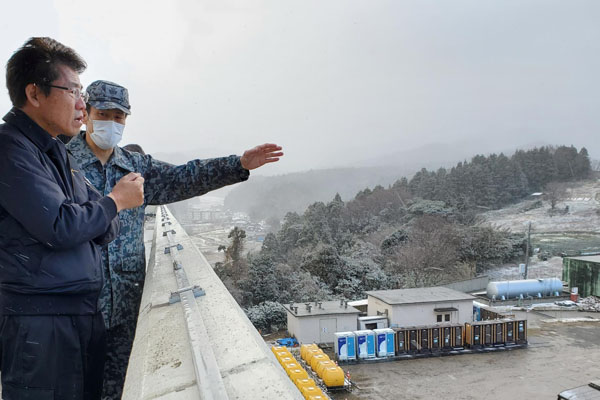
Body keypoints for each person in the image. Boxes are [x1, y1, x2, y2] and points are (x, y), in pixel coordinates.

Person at [66, 79, 283, 399]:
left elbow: (185, 177)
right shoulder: (61, 162)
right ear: (86, 114)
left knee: (117, 391)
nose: (111, 123)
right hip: (74, 312)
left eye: (119, 116)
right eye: (104, 114)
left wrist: (237, 165)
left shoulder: (134, 167)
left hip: (125, 309)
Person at [0, 38, 145, 400]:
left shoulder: (54, 153)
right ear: (34, 93)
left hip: (76, 316)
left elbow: (102, 230)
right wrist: (114, 202)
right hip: (40, 325)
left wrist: (99, 214)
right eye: (73, 91)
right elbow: (62, 225)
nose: (82, 104)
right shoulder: (11, 149)